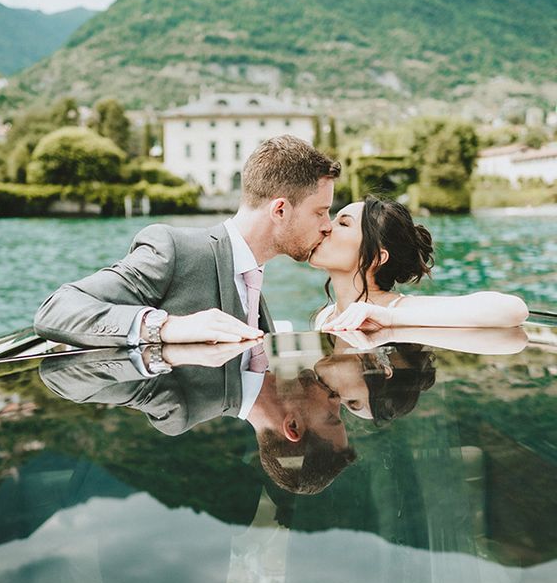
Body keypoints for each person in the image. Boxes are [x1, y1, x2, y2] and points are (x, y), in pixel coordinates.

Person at [34, 135, 340, 348]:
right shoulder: (173, 250)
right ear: (281, 210)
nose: (327, 226)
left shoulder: (253, 274)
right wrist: (166, 327)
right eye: (321, 212)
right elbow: (56, 310)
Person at [38, 340, 356, 494]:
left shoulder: (179, 405)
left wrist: (165, 336)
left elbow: (62, 375)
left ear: (293, 426)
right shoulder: (273, 342)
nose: (336, 399)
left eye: (331, 417)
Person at [309, 195, 529, 331]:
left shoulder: (395, 309)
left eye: (344, 224)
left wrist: (392, 318)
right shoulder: (325, 316)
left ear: (376, 257)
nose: (327, 226)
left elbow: (513, 309)